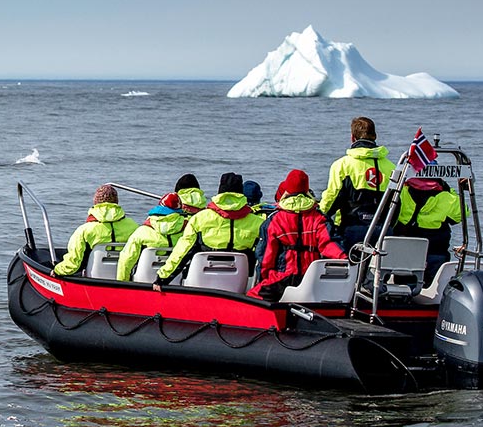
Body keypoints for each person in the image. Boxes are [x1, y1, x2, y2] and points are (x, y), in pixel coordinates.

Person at [248, 169, 347, 300]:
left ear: (286, 190)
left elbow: (266, 256)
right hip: (311, 280)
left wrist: (264, 279)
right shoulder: (318, 218)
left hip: (282, 279)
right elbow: (329, 244)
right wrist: (346, 258)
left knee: (251, 297)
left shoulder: (275, 219)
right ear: (307, 189)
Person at [154, 172, 265, 285]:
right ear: (241, 193)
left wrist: (163, 278)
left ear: (219, 191)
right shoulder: (259, 223)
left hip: (200, 282)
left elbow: (183, 251)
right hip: (240, 284)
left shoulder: (200, 218)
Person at [319, 116, 396, 252]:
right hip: (383, 232)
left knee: (351, 271)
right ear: (375, 136)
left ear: (352, 138)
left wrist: (318, 217)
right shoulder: (391, 167)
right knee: (378, 271)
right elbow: (399, 204)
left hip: (351, 229)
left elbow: (331, 198)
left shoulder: (342, 165)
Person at [52, 184, 140, 277]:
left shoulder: (85, 229)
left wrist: (57, 270)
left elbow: (73, 263)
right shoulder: (134, 226)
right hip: (125, 277)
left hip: (93, 277)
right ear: (116, 201)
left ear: (95, 201)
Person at [395, 177, 464, 282]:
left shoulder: (402, 191)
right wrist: (449, 190)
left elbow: (389, 213)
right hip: (436, 246)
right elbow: (460, 215)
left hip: (407, 246)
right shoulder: (447, 196)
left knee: (405, 276)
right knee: (434, 275)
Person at [116, 192, 188, 281]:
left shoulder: (142, 231)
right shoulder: (188, 230)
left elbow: (126, 260)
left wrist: (123, 283)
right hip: (176, 280)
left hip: (143, 279)